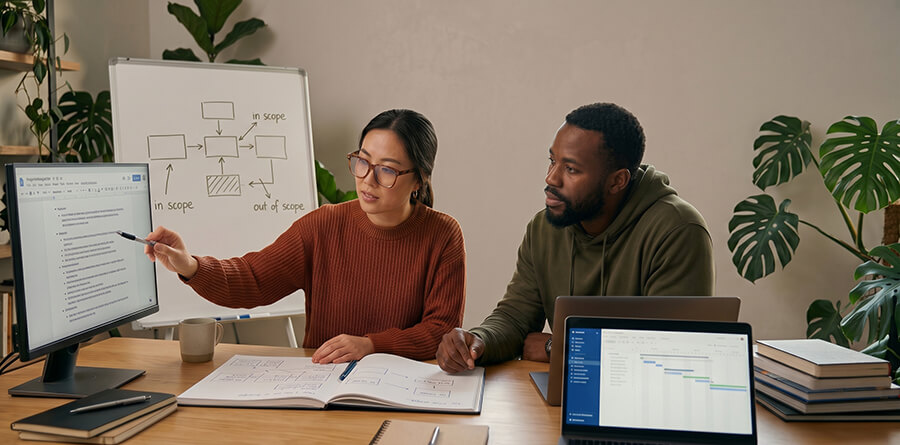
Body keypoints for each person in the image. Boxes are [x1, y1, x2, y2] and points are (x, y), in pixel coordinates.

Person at [146, 109, 466, 364]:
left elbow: (440, 330)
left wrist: (371, 345)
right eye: (363, 161)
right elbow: (253, 279)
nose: (368, 179)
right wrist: (190, 265)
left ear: (418, 179)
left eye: (387, 169)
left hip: (402, 389)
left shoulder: (442, 235)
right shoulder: (322, 226)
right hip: (322, 386)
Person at [436, 102, 714, 373]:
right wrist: (477, 341)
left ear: (617, 181)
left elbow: (673, 351)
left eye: (571, 169)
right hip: (565, 392)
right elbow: (515, 318)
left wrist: (556, 347)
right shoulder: (544, 229)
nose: (551, 178)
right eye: (552, 161)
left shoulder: (678, 230)